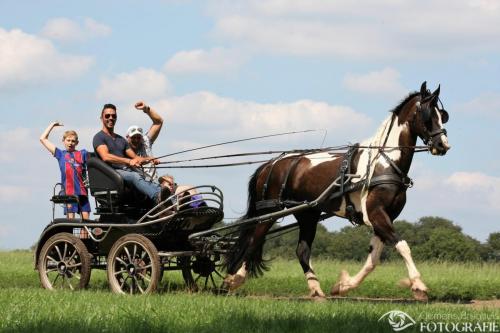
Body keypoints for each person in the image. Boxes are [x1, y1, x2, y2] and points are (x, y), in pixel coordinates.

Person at [92, 103, 167, 203]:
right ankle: (157, 197)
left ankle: (173, 200)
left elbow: (136, 158)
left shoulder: (121, 140)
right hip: (111, 173)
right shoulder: (99, 137)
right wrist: (128, 161)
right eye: (107, 116)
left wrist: (149, 160)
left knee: (147, 178)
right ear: (101, 118)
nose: (111, 118)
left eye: (114, 116)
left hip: (125, 171)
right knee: (134, 176)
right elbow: (105, 157)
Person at [40, 122, 90, 219]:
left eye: (73, 141)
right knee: (70, 220)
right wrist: (52, 125)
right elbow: (42, 139)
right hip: (69, 194)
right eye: (68, 140)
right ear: (63, 141)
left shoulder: (82, 153)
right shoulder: (60, 154)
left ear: (77, 143)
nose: (70, 143)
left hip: (82, 192)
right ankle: (69, 235)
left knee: (86, 220)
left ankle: (84, 235)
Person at [126, 100, 163, 181]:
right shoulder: (123, 147)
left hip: (154, 182)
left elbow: (158, 122)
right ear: (127, 137)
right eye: (133, 137)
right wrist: (149, 159)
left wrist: (146, 109)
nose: (136, 140)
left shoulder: (145, 141)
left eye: (138, 137)